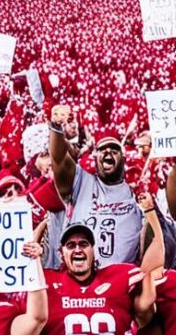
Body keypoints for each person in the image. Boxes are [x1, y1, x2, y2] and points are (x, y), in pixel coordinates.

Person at [37, 193, 161, 335]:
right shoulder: (48, 281)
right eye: (70, 245)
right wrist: (36, 241)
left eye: (84, 244)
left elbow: (152, 265)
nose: (77, 249)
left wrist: (151, 214)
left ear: (94, 251)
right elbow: (24, 273)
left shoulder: (117, 277)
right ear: (61, 253)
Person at [50, 104, 142, 266]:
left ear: (124, 160)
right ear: (94, 159)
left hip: (121, 281)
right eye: (102, 150)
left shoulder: (136, 191)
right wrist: (56, 127)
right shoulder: (81, 182)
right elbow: (58, 159)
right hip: (81, 277)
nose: (108, 153)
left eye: (114, 151)